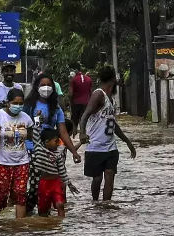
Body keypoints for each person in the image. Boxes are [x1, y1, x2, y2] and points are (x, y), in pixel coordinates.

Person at [23, 73, 81, 212]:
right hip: (32, 151)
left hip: (50, 150)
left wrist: (74, 151)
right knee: (34, 188)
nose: (46, 88)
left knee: (51, 182)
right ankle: (27, 215)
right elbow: (22, 125)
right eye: (43, 85)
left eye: (49, 85)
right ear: (36, 87)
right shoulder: (29, 106)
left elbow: (63, 132)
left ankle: (47, 217)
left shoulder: (56, 109)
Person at [79, 66, 136, 202]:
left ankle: (107, 206)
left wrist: (127, 141)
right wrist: (82, 133)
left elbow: (112, 124)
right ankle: (95, 203)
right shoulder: (98, 95)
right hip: (95, 147)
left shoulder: (111, 99)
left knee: (110, 175)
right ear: (112, 80)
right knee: (97, 178)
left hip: (111, 148)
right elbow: (85, 115)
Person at [0, 88, 34, 219]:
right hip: (3, 162)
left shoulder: (26, 118)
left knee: (20, 193)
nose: (18, 106)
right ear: (8, 102)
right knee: (1, 193)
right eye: (15, 103)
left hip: (22, 162)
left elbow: (30, 138)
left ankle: (19, 225)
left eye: (21, 104)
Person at [32, 120, 79, 217]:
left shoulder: (58, 154)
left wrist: (69, 184)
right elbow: (36, 134)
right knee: (43, 210)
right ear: (46, 142)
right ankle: (47, 227)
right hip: (44, 183)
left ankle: (61, 227)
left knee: (60, 204)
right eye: (56, 141)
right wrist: (38, 120)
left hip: (55, 182)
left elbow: (62, 171)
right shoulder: (39, 148)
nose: (58, 144)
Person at [68, 66, 93, 137]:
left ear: (76, 70)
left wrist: (70, 101)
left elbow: (70, 93)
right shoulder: (88, 79)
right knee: (84, 119)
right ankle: (83, 134)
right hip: (86, 103)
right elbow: (91, 92)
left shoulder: (73, 80)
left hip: (75, 103)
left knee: (74, 120)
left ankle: (73, 135)